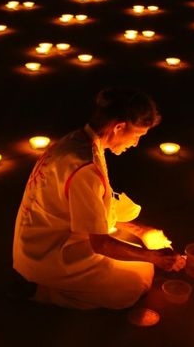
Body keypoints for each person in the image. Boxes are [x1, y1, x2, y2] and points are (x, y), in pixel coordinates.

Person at [12, 87, 184, 309]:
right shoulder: (85, 167)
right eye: (138, 135)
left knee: (136, 247)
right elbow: (100, 243)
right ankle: (42, 291)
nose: (136, 143)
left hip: (37, 241)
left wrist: (141, 230)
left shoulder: (75, 140)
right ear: (119, 127)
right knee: (136, 283)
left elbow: (88, 211)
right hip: (50, 255)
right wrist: (155, 258)